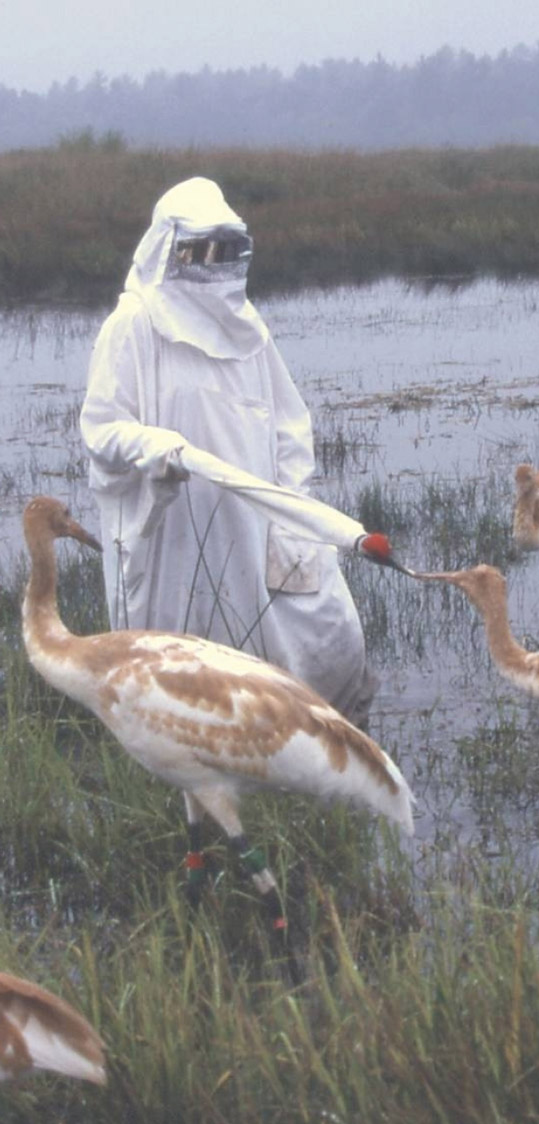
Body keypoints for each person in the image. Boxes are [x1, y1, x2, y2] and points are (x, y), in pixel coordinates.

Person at [80, 176, 381, 726]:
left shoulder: (249, 332)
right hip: (171, 528)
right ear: (169, 249)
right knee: (178, 673)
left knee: (309, 646)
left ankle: (287, 746)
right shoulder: (134, 326)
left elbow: (291, 427)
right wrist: (155, 448)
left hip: (251, 521)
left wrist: (291, 511)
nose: (210, 264)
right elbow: (102, 428)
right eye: (198, 252)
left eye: (221, 252)